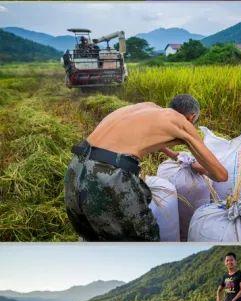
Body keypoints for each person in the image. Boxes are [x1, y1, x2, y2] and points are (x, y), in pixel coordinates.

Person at [64, 94, 228, 242]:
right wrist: (191, 161)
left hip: (76, 166)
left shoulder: (147, 108)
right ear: (191, 117)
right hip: (108, 174)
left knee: (93, 238)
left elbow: (151, 142)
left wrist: (176, 156)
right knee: (142, 240)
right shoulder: (181, 123)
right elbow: (221, 175)